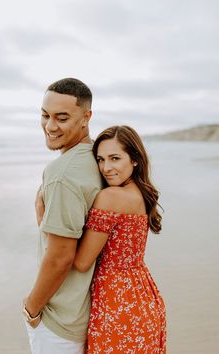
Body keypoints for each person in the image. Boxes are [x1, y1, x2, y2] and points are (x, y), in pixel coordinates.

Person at [22, 78, 102, 354]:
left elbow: (60, 257)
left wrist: (32, 307)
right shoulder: (100, 160)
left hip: (61, 321)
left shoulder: (63, 173)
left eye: (62, 117)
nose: (50, 126)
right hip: (89, 313)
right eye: (44, 115)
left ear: (86, 116)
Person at [73, 125, 166, 353]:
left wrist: (43, 220)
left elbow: (82, 262)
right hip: (144, 297)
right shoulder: (141, 193)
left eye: (115, 158)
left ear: (134, 159)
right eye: (100, 159)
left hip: (117, 304)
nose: (106, 168)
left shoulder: (110, 196)